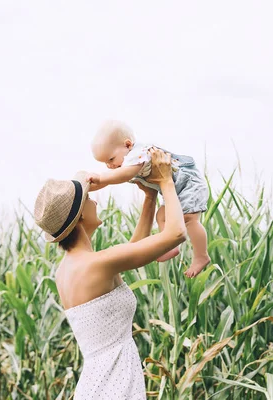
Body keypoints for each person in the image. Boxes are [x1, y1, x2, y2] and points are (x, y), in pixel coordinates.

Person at [33, 148, 186, 399]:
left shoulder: (70, 268)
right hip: (114, 384)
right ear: (80, 215)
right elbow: (176, 234)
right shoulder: (96, 264)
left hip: (101, 382)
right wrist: (166, 181)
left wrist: (149, 199)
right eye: (88, 199)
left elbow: (131, 252)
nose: (95, 201)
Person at [88, 119, 211, 278]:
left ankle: (202, 255)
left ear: (127, 145)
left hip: (189, 184)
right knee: (161, 215)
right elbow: (118, 177)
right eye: (105, 163)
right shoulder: (129, 160)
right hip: (177, 189)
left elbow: (123, 176)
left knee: (190, 219)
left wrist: (99, 178)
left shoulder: (137, 154)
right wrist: (93, 185)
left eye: (110, 159)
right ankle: (168, 244)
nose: (110, 166)